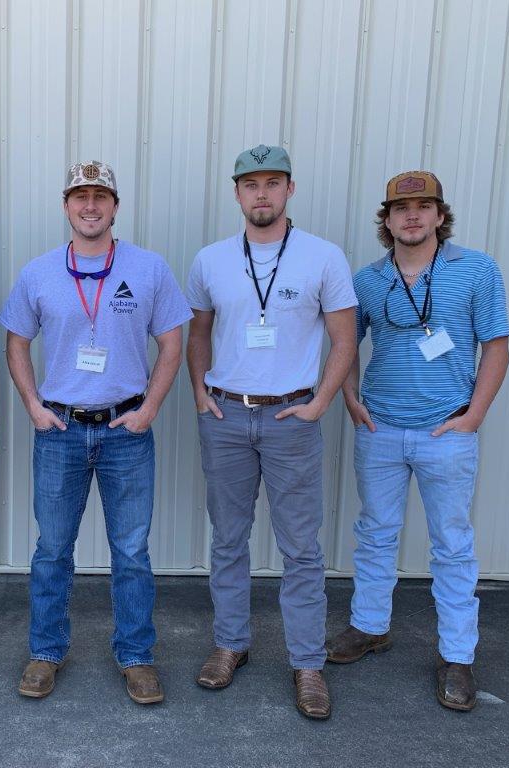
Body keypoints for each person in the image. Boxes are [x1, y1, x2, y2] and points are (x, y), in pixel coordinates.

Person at [0, 161, 192, 704]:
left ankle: (136, 656)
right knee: (53, 549)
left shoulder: (149, 268)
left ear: (115, 205)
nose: (90, 206)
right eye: (80, 197)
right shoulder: (38, 272)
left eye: (100, 196)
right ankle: (45, 651)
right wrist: (33, 405)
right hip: (59, 429)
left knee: (131, 550)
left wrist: (150, 408)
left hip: (125, 430)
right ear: (66, 205)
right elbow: (15, 342)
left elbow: (172, 343)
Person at [327, 171, 509, 712]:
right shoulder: (367, 280)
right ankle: (369, 625)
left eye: (423, 206)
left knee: (452, 543)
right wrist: (350, 397)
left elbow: (496, 348)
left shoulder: (476, 270)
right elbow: (346, 343)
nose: (412, 216)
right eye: (400, 208)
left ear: (439, 214)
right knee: (376, 532)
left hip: (446, 429)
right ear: (386, 219)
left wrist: (473, 416)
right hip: (380, 428)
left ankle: (457, 656)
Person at [185, 144, 357, 719]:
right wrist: (201, 392)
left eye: (272, 183)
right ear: (236, 193)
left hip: (292, 418)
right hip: (228, 416)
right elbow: (200, 332)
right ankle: (230, 645)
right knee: (228, 539)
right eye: (250, 184)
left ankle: (308, 663)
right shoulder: (211, 259)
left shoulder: (322, 257)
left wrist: (320, 404)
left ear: (290, 189)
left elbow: (344, 340)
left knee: (300, 548)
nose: (262, 194)